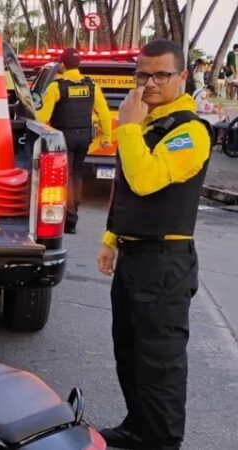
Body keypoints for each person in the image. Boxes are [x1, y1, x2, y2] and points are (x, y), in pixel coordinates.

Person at [97, 39, 212, 450]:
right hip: (134, 255)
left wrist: (127, 125)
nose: (150, 83)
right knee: (129, 354)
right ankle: (137, 430)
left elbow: (146, 180)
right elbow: (126, 189)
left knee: (159, 364)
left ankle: (161, 441)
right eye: (142, 74)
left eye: (162, 74)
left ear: (183, 76)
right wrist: (112, 239)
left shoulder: (190, 132)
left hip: (165, 263)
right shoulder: (146, 124)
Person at [37, 48, 112, 235]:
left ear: (62, 65)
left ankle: (69, 219)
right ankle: (73, 214)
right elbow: (103, 113)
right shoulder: (91, 86)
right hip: (84, 137)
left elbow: (43, 116)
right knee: (76, 175)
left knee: (65, 177)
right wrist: (106, 137)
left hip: (64, 137)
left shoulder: (57, 86)